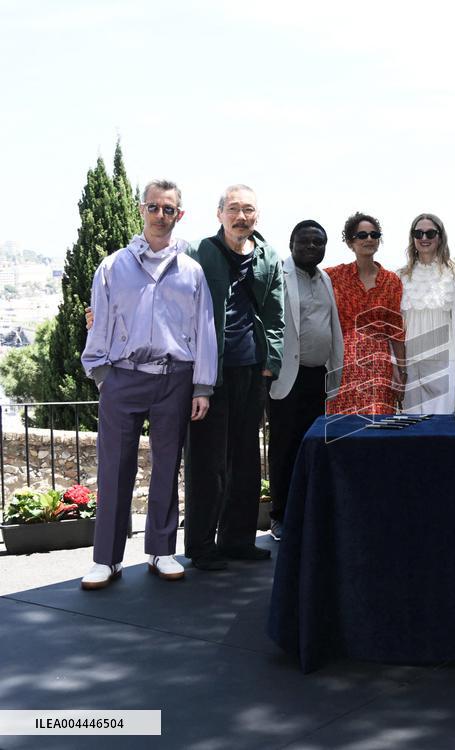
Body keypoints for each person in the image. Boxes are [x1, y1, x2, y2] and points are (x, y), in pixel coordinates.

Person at [80, 179, 216, 589]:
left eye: (168, 209)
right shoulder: (113, 266)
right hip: (122, 377)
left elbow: (204, 328)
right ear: (142, 210)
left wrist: (202, 386)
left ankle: (161, 550)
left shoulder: (192, 271)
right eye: (154, 207)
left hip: (174, 379)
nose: (161, 215)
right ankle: (106, 559)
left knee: (166, 468)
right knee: (113, 470)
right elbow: (100, 320)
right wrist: (102, 373)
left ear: (179, 215)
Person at [184, 185, 284, 571]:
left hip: (252, 369)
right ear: (219, 213)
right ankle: (200, 546)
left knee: (245, 460)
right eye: (233, 209)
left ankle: (238, 540)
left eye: (248, 210)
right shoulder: (197, 253)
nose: (241, 216)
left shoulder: (267, 256)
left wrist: (269, 363)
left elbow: (276, 314)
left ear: (257, 215)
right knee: (208, 461)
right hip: (210, 371)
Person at [266, 220, 344, 542]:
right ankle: (279, 516)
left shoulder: (325, 279)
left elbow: (332, 325)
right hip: (287, 377)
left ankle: (306, 514)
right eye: (306, 241)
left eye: (319, 243)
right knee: (284, 448)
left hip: (317, 376)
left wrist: (336, 369)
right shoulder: (277, 275)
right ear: (291, 243)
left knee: (311, 447)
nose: (312, 247)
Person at [325, 212, 405, 415]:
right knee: (342, 429)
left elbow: (395, 332)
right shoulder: (332, 276)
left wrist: (402, 371)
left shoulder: (391, 280)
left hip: (379, 364)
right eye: (362, 235)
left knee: (379, 430)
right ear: (350, 242)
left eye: (374, 234)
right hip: (342, 364)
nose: (369, 239)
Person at [398, 213, 455, 414]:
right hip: (410, 364)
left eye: (430, 233)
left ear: (440, 237)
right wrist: (396, 367)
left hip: (443, 363)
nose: (424, 238)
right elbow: (397, 327)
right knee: (410, 429)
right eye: (418, 233)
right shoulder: (401, 276)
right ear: (412, 238)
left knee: (439, 430)